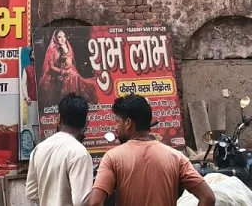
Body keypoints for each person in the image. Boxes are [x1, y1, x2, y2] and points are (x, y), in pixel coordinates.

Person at [87, 95, 215, 206]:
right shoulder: (176, 157)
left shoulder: (113, 157)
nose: (116, 127)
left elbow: (95, 202)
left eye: (118, 121)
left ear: (128, 123)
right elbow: (208, 197)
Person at [25, 94, 93, 206]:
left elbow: (31, 193)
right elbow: (81, 201)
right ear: (85, 123)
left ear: (59, 118)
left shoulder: (39, 148)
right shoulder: (79, 153)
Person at [39, 30, 97, 104]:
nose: (62, 39)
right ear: (55, 39)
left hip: (67, 69)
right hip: (55, 72)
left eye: (64, 36)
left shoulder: (66, 47)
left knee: (74, 76)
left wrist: (65, 50)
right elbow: (51, 67)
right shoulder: (52, 50)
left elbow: (69, 63)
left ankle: (74, 101)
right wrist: (62, 71)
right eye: (59, 37)